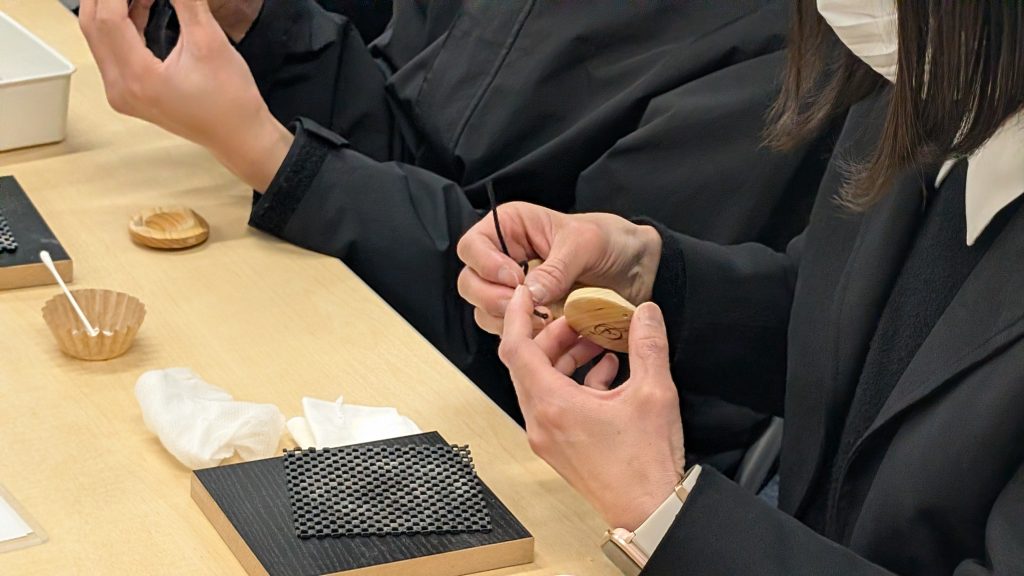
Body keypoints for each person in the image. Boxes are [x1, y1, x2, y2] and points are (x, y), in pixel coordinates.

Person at [81, 0, 831, 472]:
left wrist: (277, 158)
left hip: (512, 450)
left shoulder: (779, 63)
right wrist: (261, 25)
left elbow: (561, 357)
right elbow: (406, 133)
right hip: (351, 327)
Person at [457, 0, 1024, 573]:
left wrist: (664, 511)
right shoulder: (932, 77)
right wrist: (651, 276)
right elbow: (844, 328)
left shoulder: (942, 56)